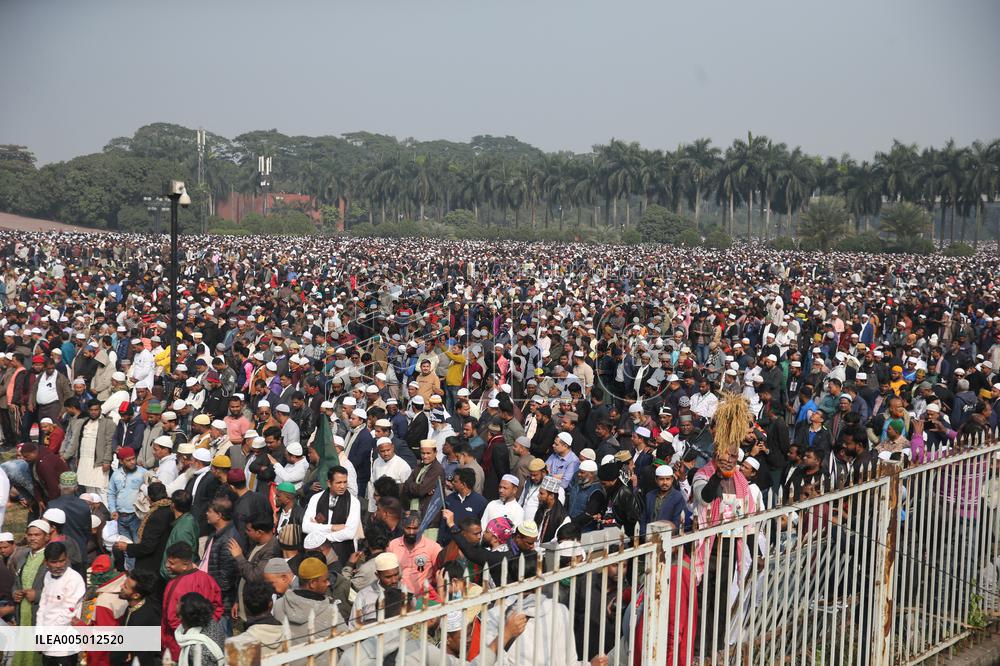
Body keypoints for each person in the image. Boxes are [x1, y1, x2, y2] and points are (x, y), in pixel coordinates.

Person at [161, 542, 222, 662]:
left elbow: (171, 618)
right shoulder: (208, 579)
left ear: (185, 565)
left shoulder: (174, 585)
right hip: (206, 638)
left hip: (178, 646)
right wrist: (204, 629)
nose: (167, 566)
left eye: (172, 563)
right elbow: (218, 607)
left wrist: (189, 634)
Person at [272, 557, 342, 654]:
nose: (328, 583)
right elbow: (349, 645)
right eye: (325, 580)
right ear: (312, 583)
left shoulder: (279, 605)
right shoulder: (331, 612)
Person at [37, 541, 86, 666]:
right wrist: (39, 635)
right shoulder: (48, 576)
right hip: (46, 645)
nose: (58, 565)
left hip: (65, 647)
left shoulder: (74, 579)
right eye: (54, 562)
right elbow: (42, 607)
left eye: (62, 561)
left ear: (67, 559)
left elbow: (67, 614)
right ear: (46, 562)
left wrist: (48, 638)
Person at [302, 465, 361, 565]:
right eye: (338, 483)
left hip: (343, 550)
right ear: (329, 483)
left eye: (345, 482)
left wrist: (322, 537)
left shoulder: (353, 502)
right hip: (317, 551)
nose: (342, 486)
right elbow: (306, 527)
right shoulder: (316, 499)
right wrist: (332, 527)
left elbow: (349, 533)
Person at [117, 481, 174, 574]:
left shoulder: (156, 516)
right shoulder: (170, 509)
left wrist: (127, 547)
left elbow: (148, 546)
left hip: (154, 564)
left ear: (149, 498)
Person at [112, 568, 163, 666]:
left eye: (125, 587)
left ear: (136, 595)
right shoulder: (136, 606)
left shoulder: (142, 620)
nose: (121, 586)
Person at [387, 510, 442, 596]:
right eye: (408, 528)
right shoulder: (393, 545)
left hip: (423, 599)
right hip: (399, 597)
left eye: (415, 528)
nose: (411, 532)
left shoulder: (433, 547)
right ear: (402, 527)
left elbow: (439, 574)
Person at [175, 592, 227, 666]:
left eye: (178, 614)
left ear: (181, 617)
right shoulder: (212, 622)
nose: (176, 604)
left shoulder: (196, 650)